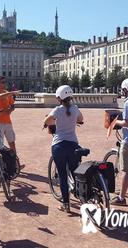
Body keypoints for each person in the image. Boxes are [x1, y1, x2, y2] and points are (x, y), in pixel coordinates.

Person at [43, 85, 83, 213]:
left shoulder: (57, 110)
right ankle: (81, 194)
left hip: (59, 145)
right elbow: (81, 119)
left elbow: (48, 121)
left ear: (59, 98)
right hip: (73, 144)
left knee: (62, 175)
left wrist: (51, 122)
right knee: (75, 172)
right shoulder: (75, 108)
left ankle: (66, 204)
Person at [0, 76, 21, 156]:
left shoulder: (7, 93)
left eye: (5, 82)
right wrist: (12, 93)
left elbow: (12, 105)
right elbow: (0, 96)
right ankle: (2, 165)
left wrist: (10, 110)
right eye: (2, 82)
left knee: (12, 143)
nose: (4, 84)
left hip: (8, 122)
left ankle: (15, 164)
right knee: (0, 145)